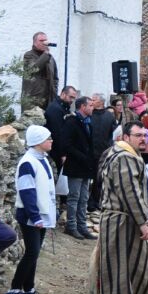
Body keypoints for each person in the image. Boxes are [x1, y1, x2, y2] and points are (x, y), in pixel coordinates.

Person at [95, 122, 148, 294]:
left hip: (127, 219)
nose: (143, 139)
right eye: (138, 135)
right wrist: (143, 222)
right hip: (119, 220)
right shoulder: (123, 157)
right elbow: (129, 192)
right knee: (117, 267)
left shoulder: (124, 155)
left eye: (144, 135)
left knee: (134, 266)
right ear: (126, 137)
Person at [7, 124, 57, 294]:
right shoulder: (28, 162)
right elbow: (27, 190)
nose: (51, 141)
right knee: (32, 252)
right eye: (48, 138)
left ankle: (28, 288)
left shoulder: (42, 159)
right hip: (31, 216)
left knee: (34, 253)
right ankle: (14, 288)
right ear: (37, 142)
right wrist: (35, 216)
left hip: (40, 215)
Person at [61, 95, 97, 239]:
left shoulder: (88, 122)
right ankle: (71, 226)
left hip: (86, 167)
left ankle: (82, 227)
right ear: (83, 106)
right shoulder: (71, 122)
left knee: (84, 198)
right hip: (76, 165)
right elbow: (67, 144)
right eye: (90, 105)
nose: (92, 108)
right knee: (74, 197)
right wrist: (83, 157)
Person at [20, 31, 58, 113]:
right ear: (34, 42)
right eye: (41, 41)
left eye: (45, 40)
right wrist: (46, 54)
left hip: (49, 100)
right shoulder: (29, 55)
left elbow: (55, 78)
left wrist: (54, 92)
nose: (45, 43)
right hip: (33, 100)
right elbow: (34, 69)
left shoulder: (51, 58)